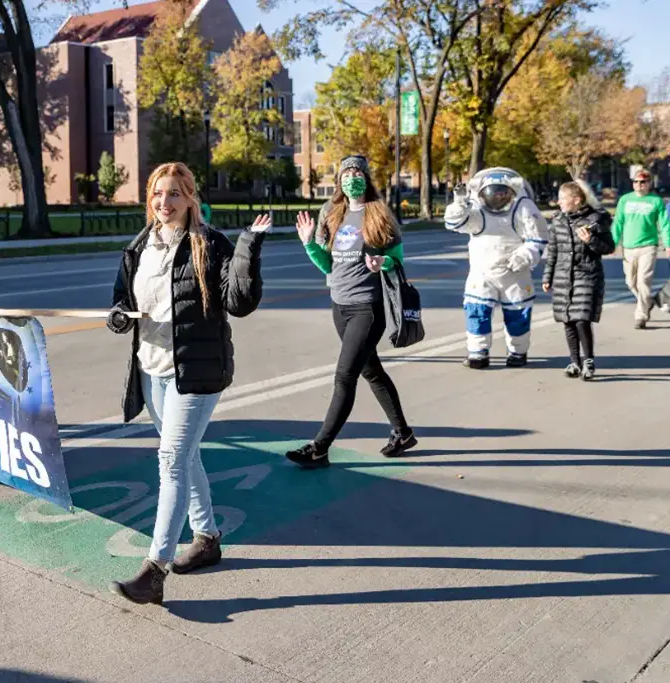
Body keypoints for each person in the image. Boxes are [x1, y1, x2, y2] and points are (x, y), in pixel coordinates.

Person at [105, 161, 270, 606]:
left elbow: (238, 302)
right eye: (158, 194)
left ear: (191, 197)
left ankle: (154, 570)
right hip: (151, 368)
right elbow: (123, 298)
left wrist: (248, 250)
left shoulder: (209, 244)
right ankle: (208, 538)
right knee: (187, 455)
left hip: (196, 373)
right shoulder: (140, 245)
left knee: (172, 461)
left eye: (175, 193)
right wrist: (118, 315)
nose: (165, 202)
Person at [285, 154, 417, 468]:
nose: (351, 177)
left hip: (367, 309)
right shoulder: (331, 212)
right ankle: (403, 432)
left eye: (357, 171)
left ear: (366, 177)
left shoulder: (379, 213)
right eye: (347, 172)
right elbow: (328, 265)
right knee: (371, 371)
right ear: (340, 179)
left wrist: (382, 262)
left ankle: (320, 447)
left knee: (345, 377)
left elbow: (397, 260)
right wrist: (308, 244)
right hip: (339, 305)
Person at [444, 167, 549, 369]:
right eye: (494, 192)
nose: (498, 197)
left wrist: (525, 255)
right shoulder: (476, 208)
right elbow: (454, 223)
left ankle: (518, 352)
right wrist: (459, 204)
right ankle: (478, 353)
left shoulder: (523, 206)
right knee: (477, 311)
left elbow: (538, 238)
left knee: (518, 313)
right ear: (483, 193)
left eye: (503, 192)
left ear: (512, 191)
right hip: (483, 272)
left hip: (515, 271)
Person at [542, 181, 616, 380]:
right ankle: (575, 361)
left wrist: (590, 240)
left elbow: (609, 248)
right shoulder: (558, 221)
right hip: (563, 276)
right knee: (568, 320)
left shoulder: (595, 219)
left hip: (588, 275)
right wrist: (547, 276)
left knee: (582, 319)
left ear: (576, 200)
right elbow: (553, 252)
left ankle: (588, 360)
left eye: (562, 199)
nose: (558, 203)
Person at [610, 168, 670, 329]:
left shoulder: (655, 201)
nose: (639, 185)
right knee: (630, 282)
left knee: (643, 280)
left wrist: (668, 243)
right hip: (628, 247)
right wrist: (613, 242)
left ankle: (641, 315)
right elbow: (618, 223)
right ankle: (648, 301)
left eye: (643, 182)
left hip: (648, 246)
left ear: (649, 183)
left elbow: (664, 225)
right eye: (636, 182)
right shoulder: (625, 200)